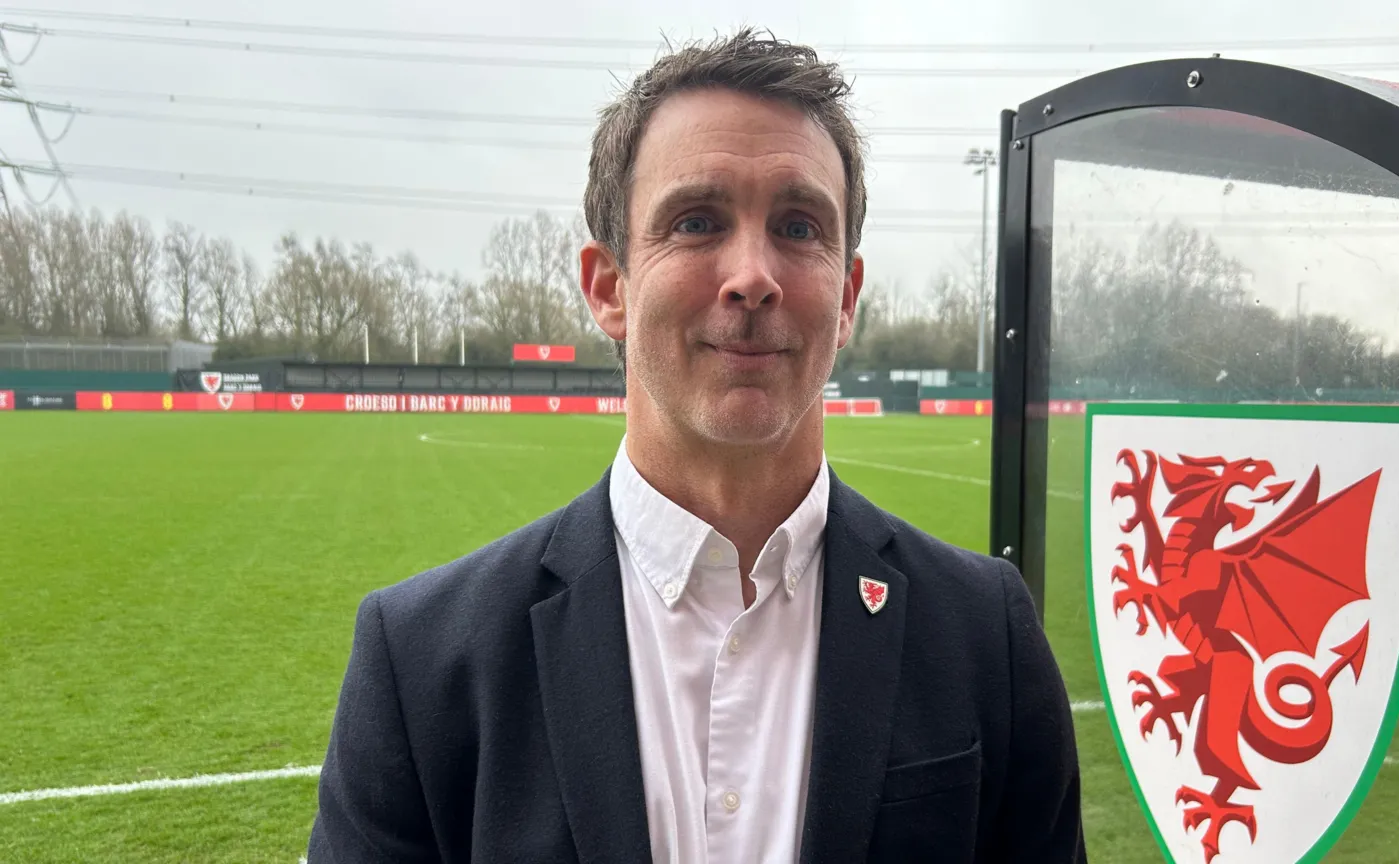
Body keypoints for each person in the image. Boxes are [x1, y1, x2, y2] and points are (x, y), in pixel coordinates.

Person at [306, 27, 1086, 864]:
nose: (753, 274)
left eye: (797, 225)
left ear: (848, 293)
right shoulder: (423, 659)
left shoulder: (985, 637)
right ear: (609, 287)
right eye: (697, 220)